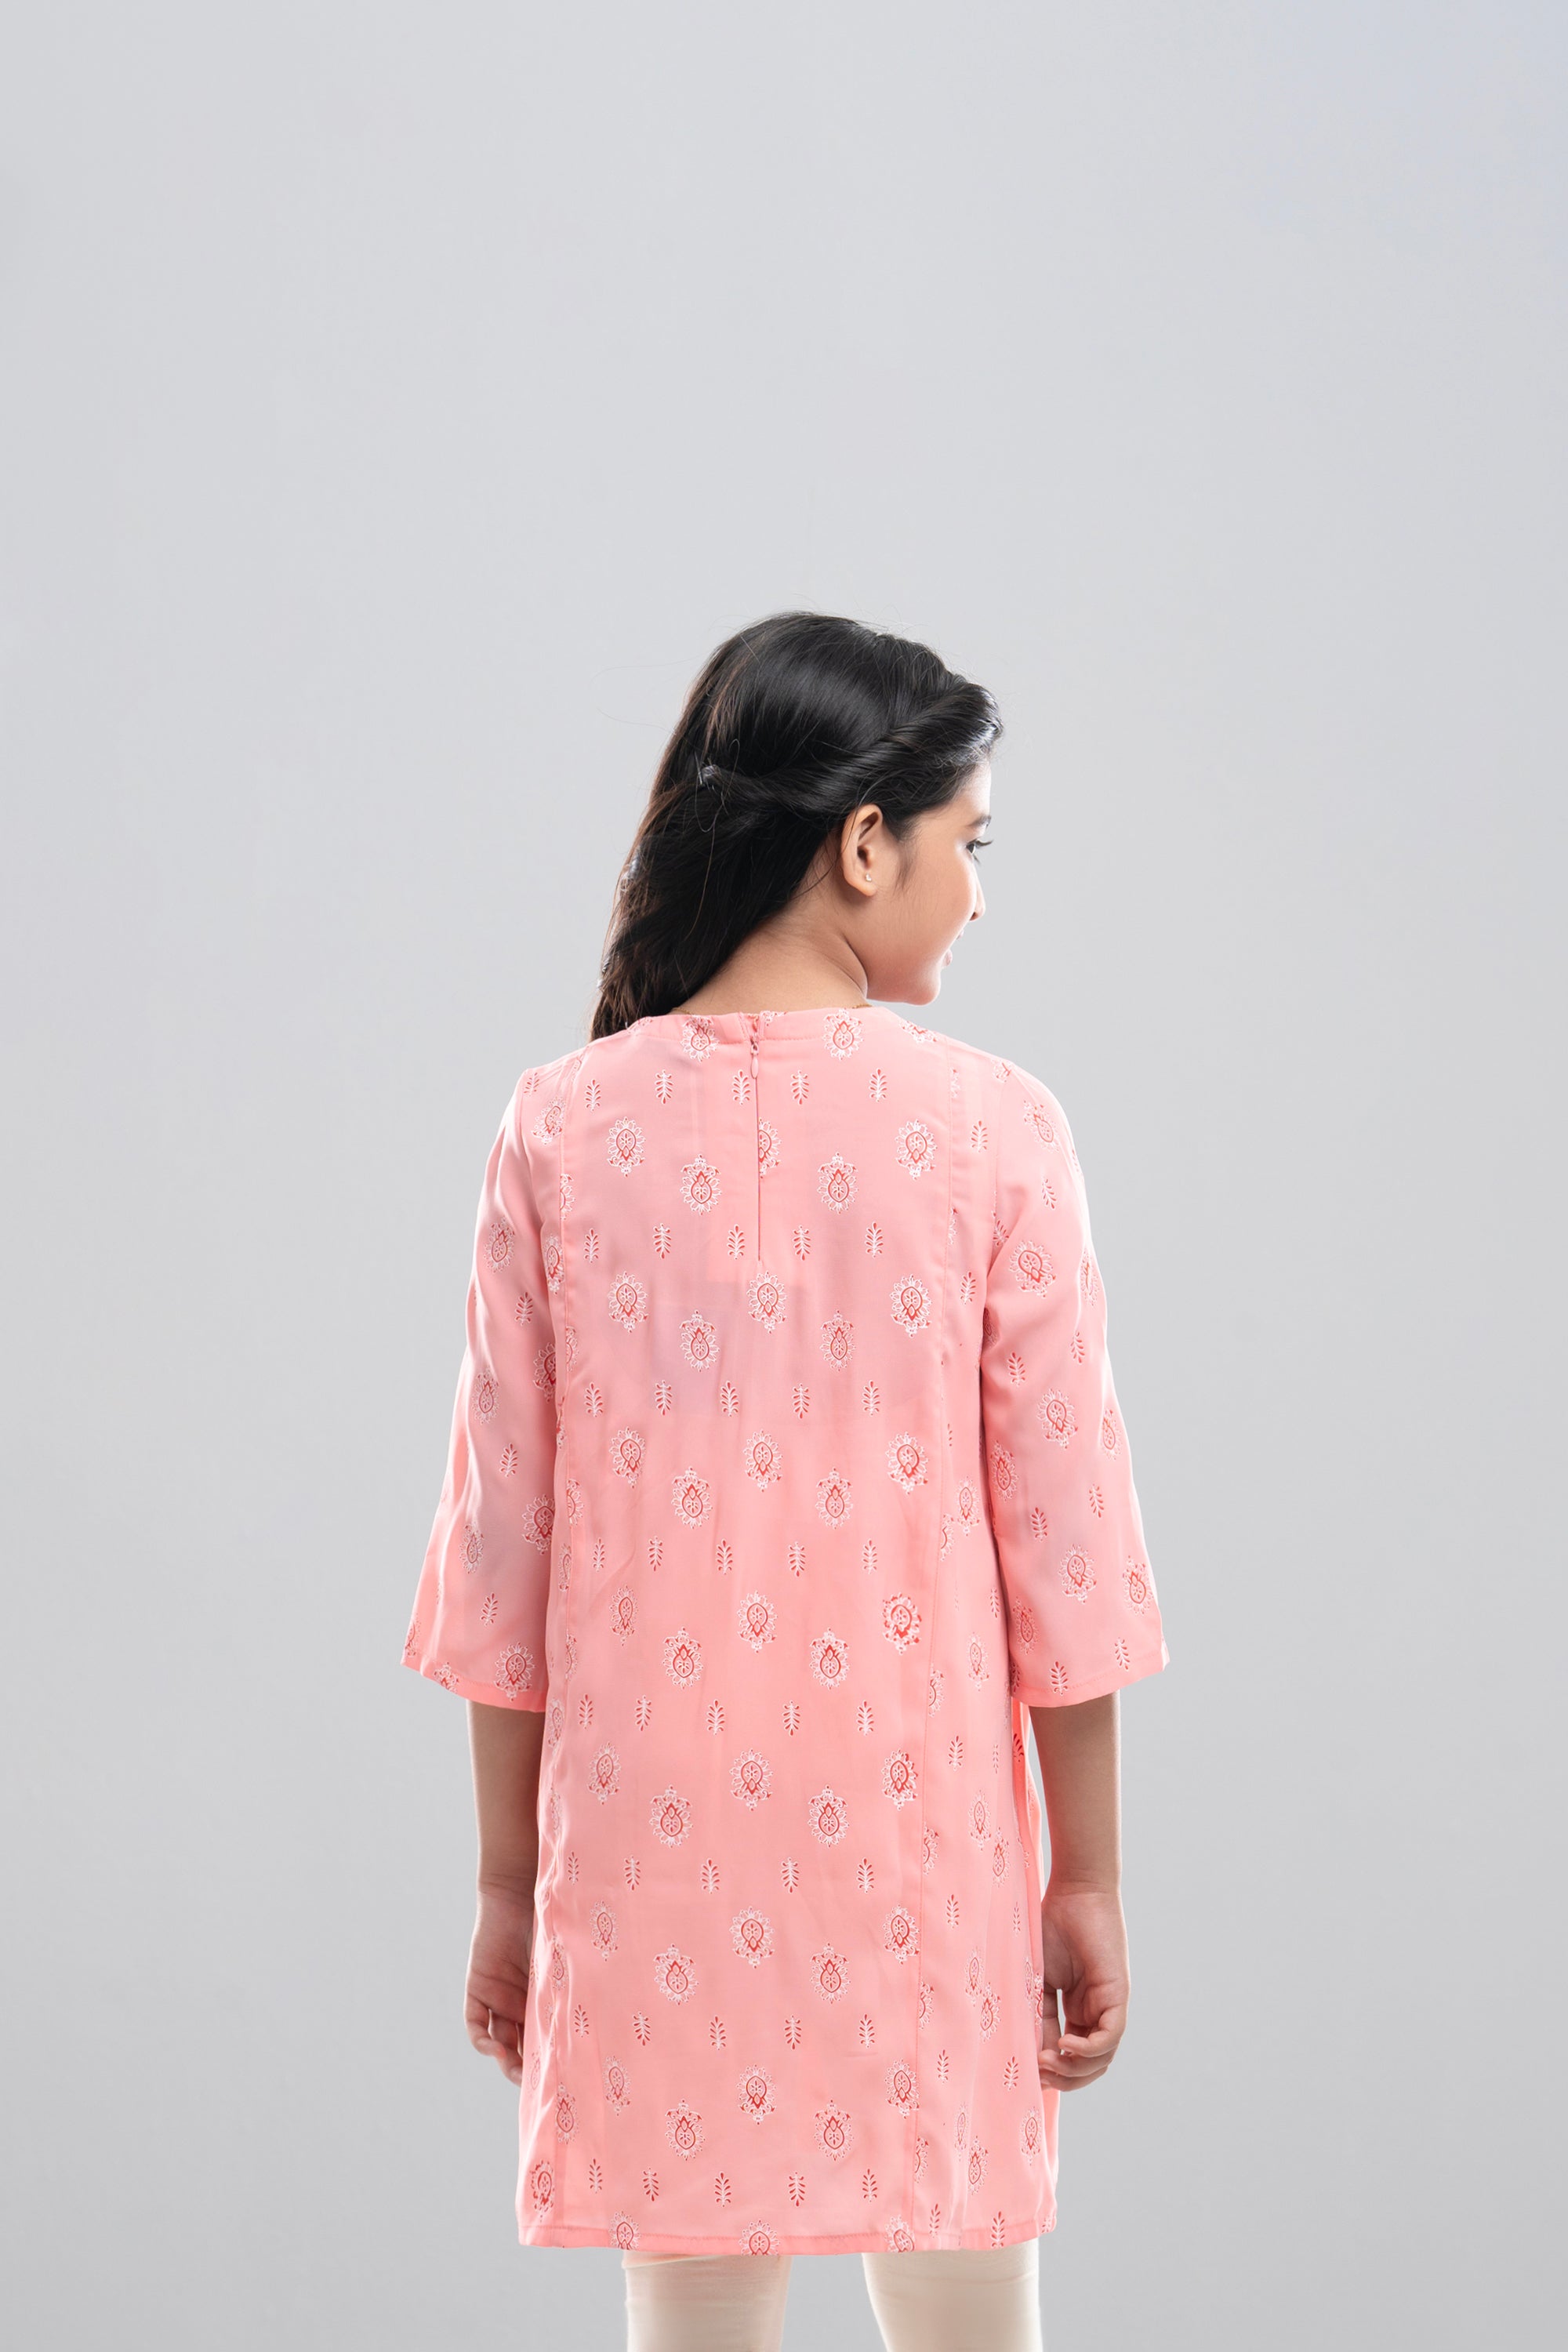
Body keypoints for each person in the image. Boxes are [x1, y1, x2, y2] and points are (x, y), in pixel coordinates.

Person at [401, 612, 1170, 2351]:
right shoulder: (998, 1132)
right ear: (865, 843)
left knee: (689, 2315)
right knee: (966, 2296)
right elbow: (1067, 1547)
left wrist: (509, 1887)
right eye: (971, 845)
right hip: (922, 1844)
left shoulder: (559, 1130)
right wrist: (1087, 1876)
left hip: (649, 1857)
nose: (978, 897)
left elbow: (501, 1556)